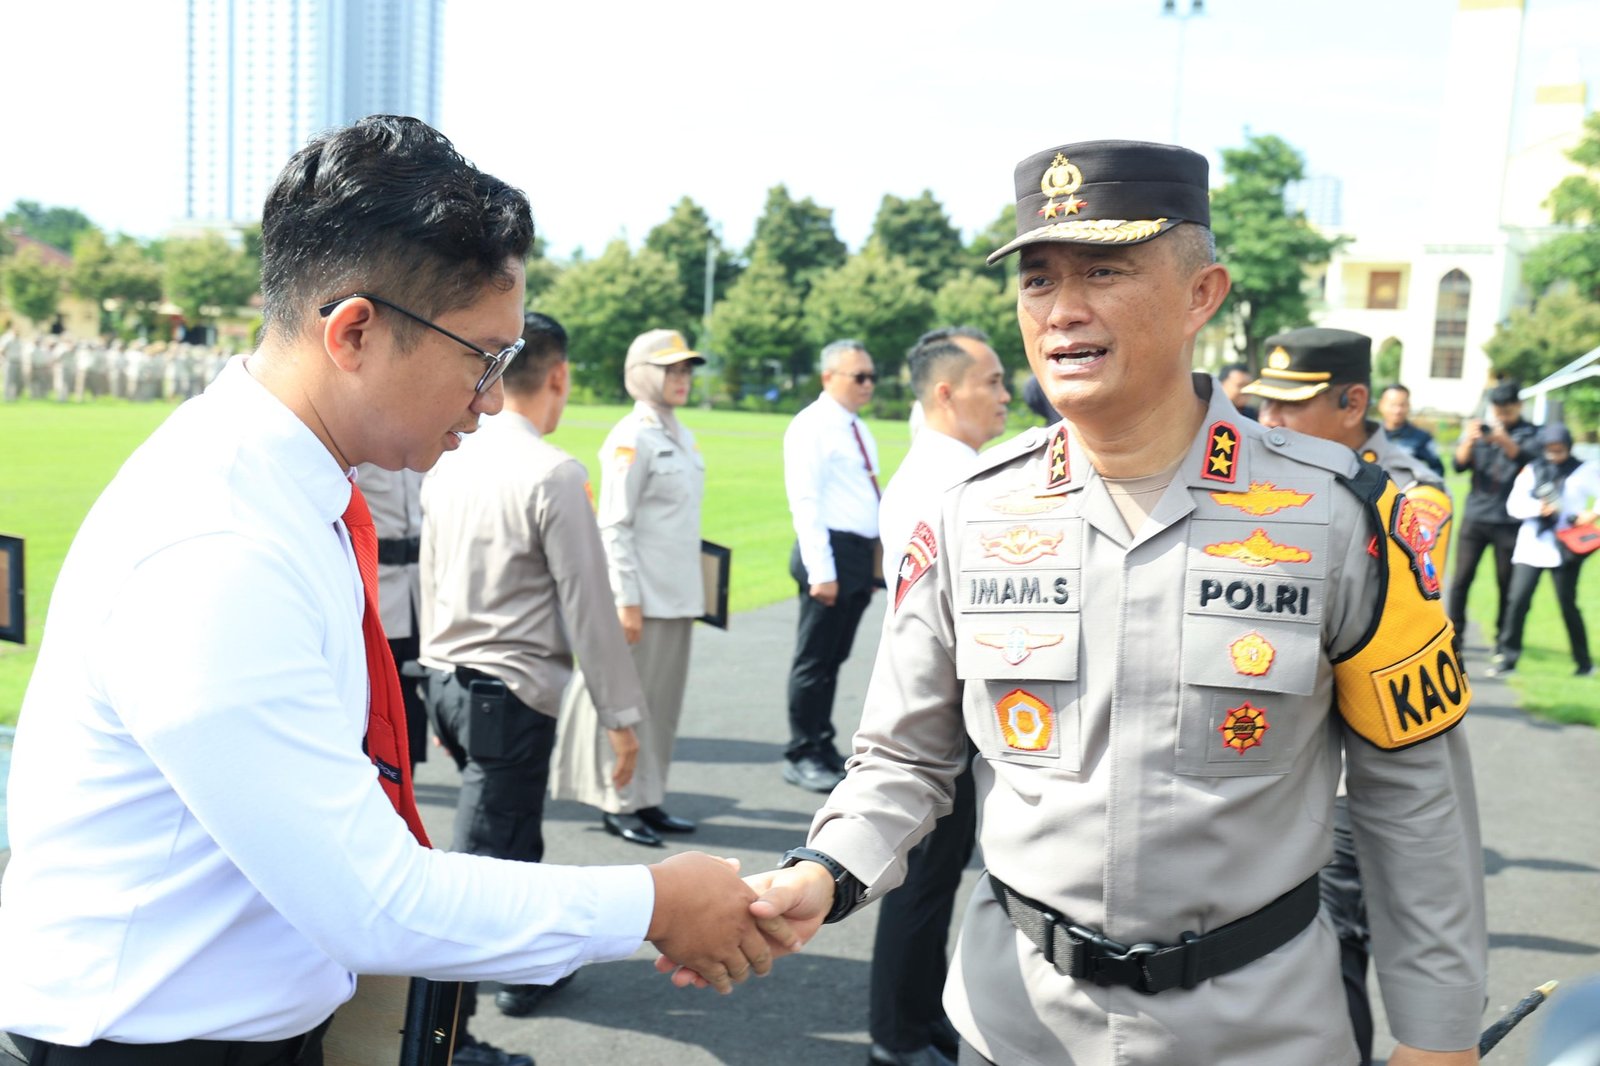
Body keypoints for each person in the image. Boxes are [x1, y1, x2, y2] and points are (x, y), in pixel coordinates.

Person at [0, 115, 769, 1066]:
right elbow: (374, 899)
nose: (493, 399)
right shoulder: (218, 543)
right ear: (355, 332)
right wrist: (657, 903)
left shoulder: (284, 490)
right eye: (481, 357)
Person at [722, 140, 1485, 1066]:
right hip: (1017, 1026)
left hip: (1261, 1033)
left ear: (1203, 293)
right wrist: (826, 871)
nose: (1063, 310)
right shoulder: (971, 511)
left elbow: (1413, 796)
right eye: (1038, 280)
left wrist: (1438, 1036)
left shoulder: (1339, 515)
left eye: (1105, 270)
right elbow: (904, 756)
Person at [416, 312, 655, 1041]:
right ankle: (460, 1022)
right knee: (491, 859)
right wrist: (622, 716)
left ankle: (521, 975)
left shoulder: (452, 457)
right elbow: (589, 607)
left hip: (446, 680)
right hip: (507, 688)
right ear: (558, 377)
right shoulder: (552, 473)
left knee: (507, 842)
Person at [1246, 325, 1454, 1066]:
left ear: (1354, 401)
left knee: (1337, 950)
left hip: (1345, 773)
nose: (1268, 423)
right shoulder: (1258, 480)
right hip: (1263, 768)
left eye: (1288, 407)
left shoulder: (1407, 499)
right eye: (1263, 405)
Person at [869, 327, 1010, 1066]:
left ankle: (918, 1019)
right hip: (945, 711)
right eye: (990, 380)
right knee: (922, 884)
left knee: (934, 881)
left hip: (950, 707)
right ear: (946, 392)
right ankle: (898, 1036)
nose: (1005, 395)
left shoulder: (945, 470)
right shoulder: (950, 481)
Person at [552, 328, 707, 849]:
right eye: (672, 369)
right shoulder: (631, 437)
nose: (682, 379)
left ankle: (648, 796)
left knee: (662, 706)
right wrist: (626, 599)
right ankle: (616, 801)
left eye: (687, 370)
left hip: (678, 595)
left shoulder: (679, 433)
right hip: (643, 597)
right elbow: (614, 525)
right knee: (626, 702)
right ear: (643, 373)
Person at [781, 338, 882, 792]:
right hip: (830, 554)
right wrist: (822, 571)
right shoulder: (814, 426)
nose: (868, 385)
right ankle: (802, 751)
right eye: (858, 376)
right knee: (815, 660)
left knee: (834, 658)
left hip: (857, 555)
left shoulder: (855, 427)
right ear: (828, 378)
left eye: (871, 376)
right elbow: (806, 502)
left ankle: (820, 744)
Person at [1446, 379, 1541, 663]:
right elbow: (1458, 465)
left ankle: (1503, 641)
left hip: (1510, 521)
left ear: (1519, 406)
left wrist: (1503, 439)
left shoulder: (1531, 432)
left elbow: (1531, 462)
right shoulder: (1479, 430)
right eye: (1497, 410)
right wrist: (1469, 439)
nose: (1501, 416)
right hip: (1475, 516)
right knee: (1460, 580)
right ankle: (1455, 637)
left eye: (1507, 410)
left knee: (1506, 584)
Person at [1495, 423, 1599, 677]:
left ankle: (1584, 663)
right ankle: (1508, 659)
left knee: (1568, 605)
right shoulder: (1532, 469)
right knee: (1517, 601)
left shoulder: (1583, 470)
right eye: (1550, 449)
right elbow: (1514, 505)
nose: (1554, 454)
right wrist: (1537, 508)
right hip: (1532, 545)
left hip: (1565, 547)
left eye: (1559, 449)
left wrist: (1591, 514)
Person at [355, 463, 430, 769]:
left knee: (410, 693)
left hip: (420, 588)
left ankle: (404, 778)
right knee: (374, 697)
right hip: (377, 587)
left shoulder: (428, 435)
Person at [1379, 382, 1446, 477]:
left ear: (1409, 406)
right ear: (1381, 405)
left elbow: (1437, 470)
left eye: (1402, 405)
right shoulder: (1368, 435)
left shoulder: (1422, 438)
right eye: (1393, 405)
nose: (1397, 410)